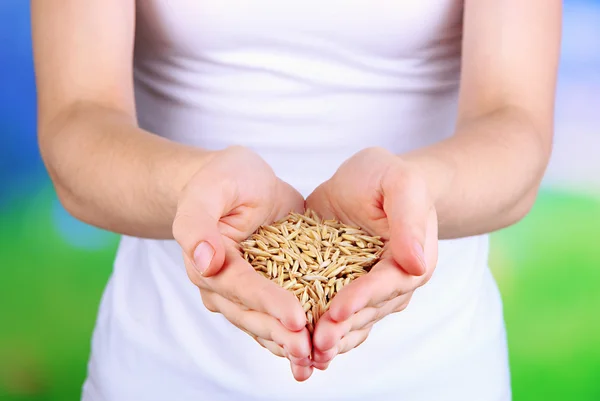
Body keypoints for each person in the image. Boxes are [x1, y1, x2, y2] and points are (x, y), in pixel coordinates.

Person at [31, 0, 561, 400]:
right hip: (162, 368)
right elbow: (77, 118)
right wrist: (192, 187)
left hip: (436, 370)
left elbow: (514, 125)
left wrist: (412, 195)